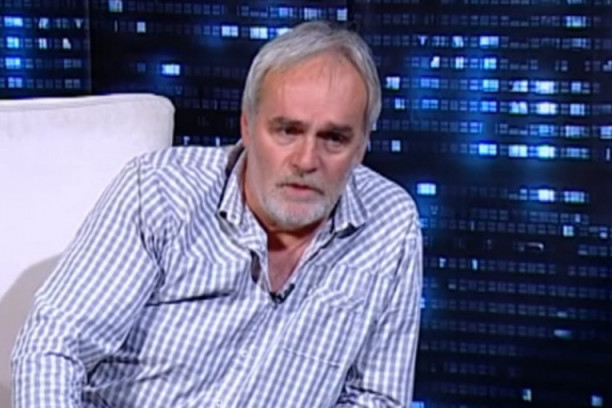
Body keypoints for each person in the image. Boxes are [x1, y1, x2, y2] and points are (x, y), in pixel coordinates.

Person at [12, 20, 423, 407]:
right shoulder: (159, 192)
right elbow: (53, 349)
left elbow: (375, 397)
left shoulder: (390, 227)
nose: (306, 159)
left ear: (362, 146)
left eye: (334, 138)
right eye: (288, 130)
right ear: (247, 127)